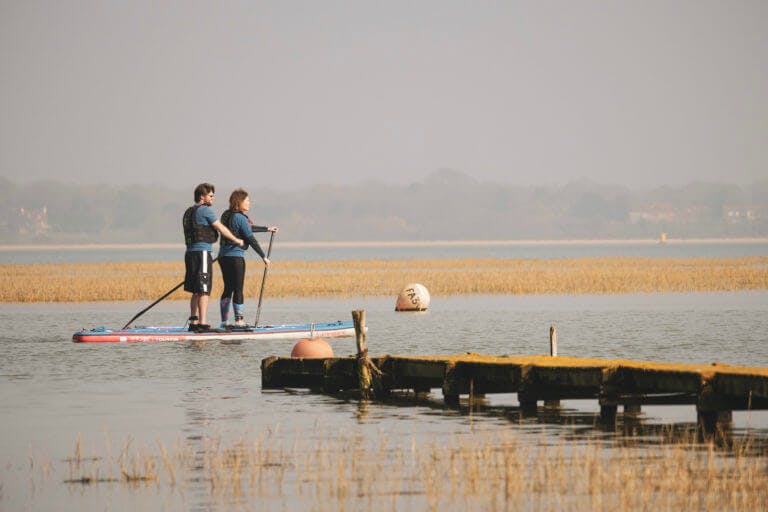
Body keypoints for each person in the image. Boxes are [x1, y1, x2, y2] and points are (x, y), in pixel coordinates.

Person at [183, 183, 244, 332]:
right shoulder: (205, 211)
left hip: (190, 254)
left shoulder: (188, 212)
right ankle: (203, 323)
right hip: (202, 254)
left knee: (196, 290)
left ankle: (193, 321)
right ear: (202, 196)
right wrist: (237, 240)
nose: (213, 199)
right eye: (210, 196)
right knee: (204, 289)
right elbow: (221, 228)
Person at [218, 188, 278, 327]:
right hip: (235, 258)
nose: (249, 203)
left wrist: (266, 229)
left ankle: (224, 322)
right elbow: (250, 238)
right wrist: (264, 257)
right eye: (247, 200)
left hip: (223, 257)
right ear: (239, 202)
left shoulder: (226, 215)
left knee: (228, 288)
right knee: (238, 288)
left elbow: (247, 228)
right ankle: (239, 321)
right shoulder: (240, 217)